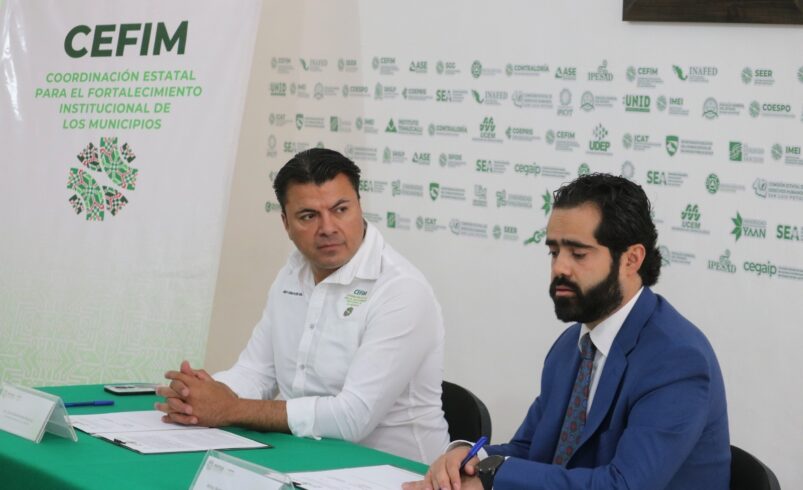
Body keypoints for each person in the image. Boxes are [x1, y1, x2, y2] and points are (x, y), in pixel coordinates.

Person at [407, 173, 730, 489]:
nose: (560, 267)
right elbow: (530, 449)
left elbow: (624, 485)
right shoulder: (573, 345)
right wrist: (470, 458)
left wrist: (493, 476)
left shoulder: (676, 359)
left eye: (578, 254)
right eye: (554, 252)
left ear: (631, 260)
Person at [156, 148, 449, 463]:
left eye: (340, 210)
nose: (328, 228)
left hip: (398, 473)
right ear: (286, 223)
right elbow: (257, 372)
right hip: (307, 460)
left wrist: (230, 408)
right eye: (308, 216)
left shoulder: (400, 289)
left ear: (360, 206)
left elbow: (353, 418)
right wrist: (198, 395)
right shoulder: (293, 272)